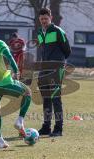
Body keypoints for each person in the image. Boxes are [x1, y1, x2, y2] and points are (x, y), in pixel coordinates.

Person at [37, 8, 71, 137]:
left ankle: (58, 129)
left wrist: (59, 63)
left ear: (50, 17)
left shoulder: (58, 31)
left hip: (56, 69)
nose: (44, 21)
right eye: (41, 19)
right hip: (44, 69)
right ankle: (46, 127)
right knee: (46, 98)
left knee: (56, 98)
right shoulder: (40, 32)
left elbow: (67, 51)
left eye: (46, 18)